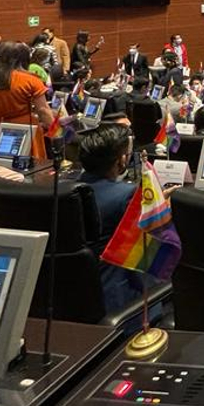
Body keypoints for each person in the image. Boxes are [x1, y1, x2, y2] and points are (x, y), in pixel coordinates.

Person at [77, 123, 148, 310]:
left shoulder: (66, 191)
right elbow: (147, 249)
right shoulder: (127, 195)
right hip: (118, 299)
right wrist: (156, 207)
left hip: (73, 295)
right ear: (121, 160)